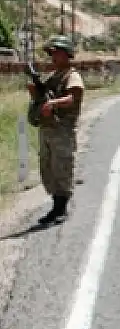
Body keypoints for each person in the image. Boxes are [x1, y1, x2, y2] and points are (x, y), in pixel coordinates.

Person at [27, 36, 85, 225]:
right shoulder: (53, 76)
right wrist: (35, 92)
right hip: (47, 128)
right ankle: (55, 206)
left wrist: (52, 103)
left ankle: (61, 208)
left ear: (67, 55)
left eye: (57, 53)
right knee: (48, 169)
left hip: (62, 130)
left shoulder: (72, 76)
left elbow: (72, 98)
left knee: (61, 168)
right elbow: (41, 97)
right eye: (52, 53)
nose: (53, 57)